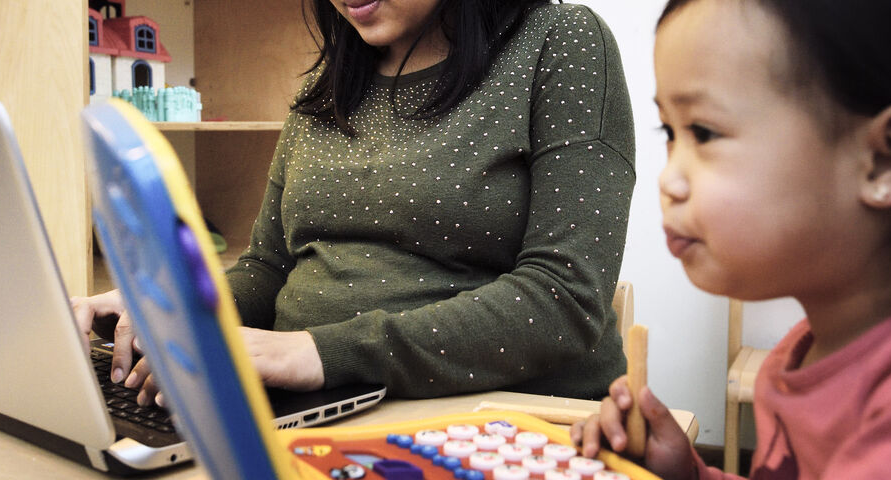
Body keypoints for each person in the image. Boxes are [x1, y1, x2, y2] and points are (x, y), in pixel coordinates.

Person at [72, 0, 636, 408]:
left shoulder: (560, 41)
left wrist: (321, 354)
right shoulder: (329, 80)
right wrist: (171, 307)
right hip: (314, 407)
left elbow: (564, 298)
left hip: (496, 416)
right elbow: (268, 269)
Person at [571, 0, 891, 478]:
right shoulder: (804, 350)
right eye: (670, 131)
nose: (669, 179)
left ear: (887, 159)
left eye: (704, 132)